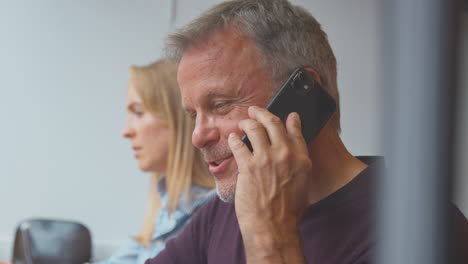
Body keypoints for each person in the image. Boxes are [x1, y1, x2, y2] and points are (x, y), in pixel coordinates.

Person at [145, 1, 468, 264]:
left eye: (220, 105)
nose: (197, 137)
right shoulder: (221, 213)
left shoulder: (423, 231)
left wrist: (270, 236)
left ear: (303, 94)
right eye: (192, 115)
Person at [96, 59, 215, 263]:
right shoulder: (164, 211)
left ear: (178, 118)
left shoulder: (215, 213)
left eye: (139, 112)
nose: (126, 131)